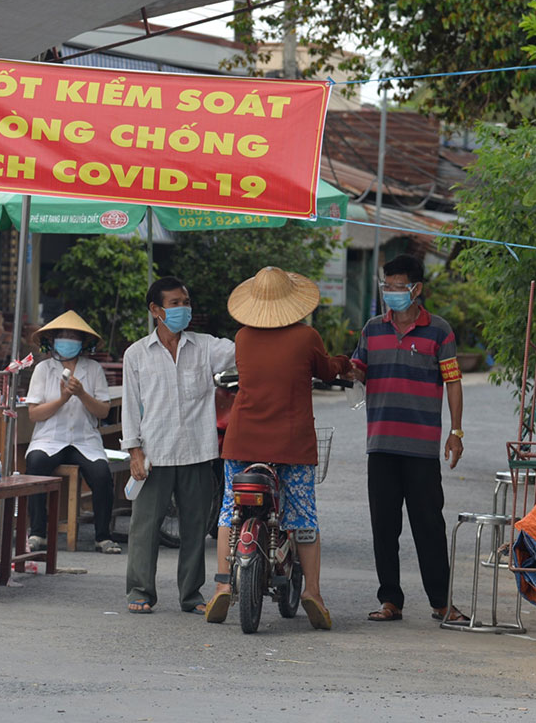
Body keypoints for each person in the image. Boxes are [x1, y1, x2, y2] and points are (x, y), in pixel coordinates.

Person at [204, 267, 352, 630]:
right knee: (302, 515)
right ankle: (312, 593)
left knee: (229, 510)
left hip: (243, 439)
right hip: (292, 443)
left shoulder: (242, 337)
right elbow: (328, 371)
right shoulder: (306, 337)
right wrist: (345, 363)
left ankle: (223, 582)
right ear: (291, 302)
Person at [351, 254, 465, 624]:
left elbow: (453, 382)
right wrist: (337, 368)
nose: (391, 293)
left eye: (398, 287)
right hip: (381, 444)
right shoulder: (371, 329)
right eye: (387, 286)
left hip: (421, 448)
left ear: (417, 289)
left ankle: (441, 603)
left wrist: (456, 432)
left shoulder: (439, 331)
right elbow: (357, 371)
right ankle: (390, 600)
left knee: (429, 525)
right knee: (384, 527)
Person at [122, 276, 235, 615]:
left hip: (198, 452)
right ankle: (139, 591)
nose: (183, 308)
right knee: (144, 528)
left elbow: (243, 351)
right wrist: (134, 451)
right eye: (174, 303)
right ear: (156, 310)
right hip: (154, 453)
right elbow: (130, 406)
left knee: (195, 529)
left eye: (186, 302)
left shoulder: (205, 347)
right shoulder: (136, 355)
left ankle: (191, 595)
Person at [22, 310, 119, 554]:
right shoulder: (43, 369)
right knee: (35, 465)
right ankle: (37, 533)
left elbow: (103, 411)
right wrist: (63, 399)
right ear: (52, 341)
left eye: (73, 336)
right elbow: (34, 413)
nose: (67, 340)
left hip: (84, 441)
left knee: (101, 475)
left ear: (83, 342)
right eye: (62, 335)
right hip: (49, 439)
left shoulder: (94, 369)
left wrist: (81, 394)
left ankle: (103, 536)